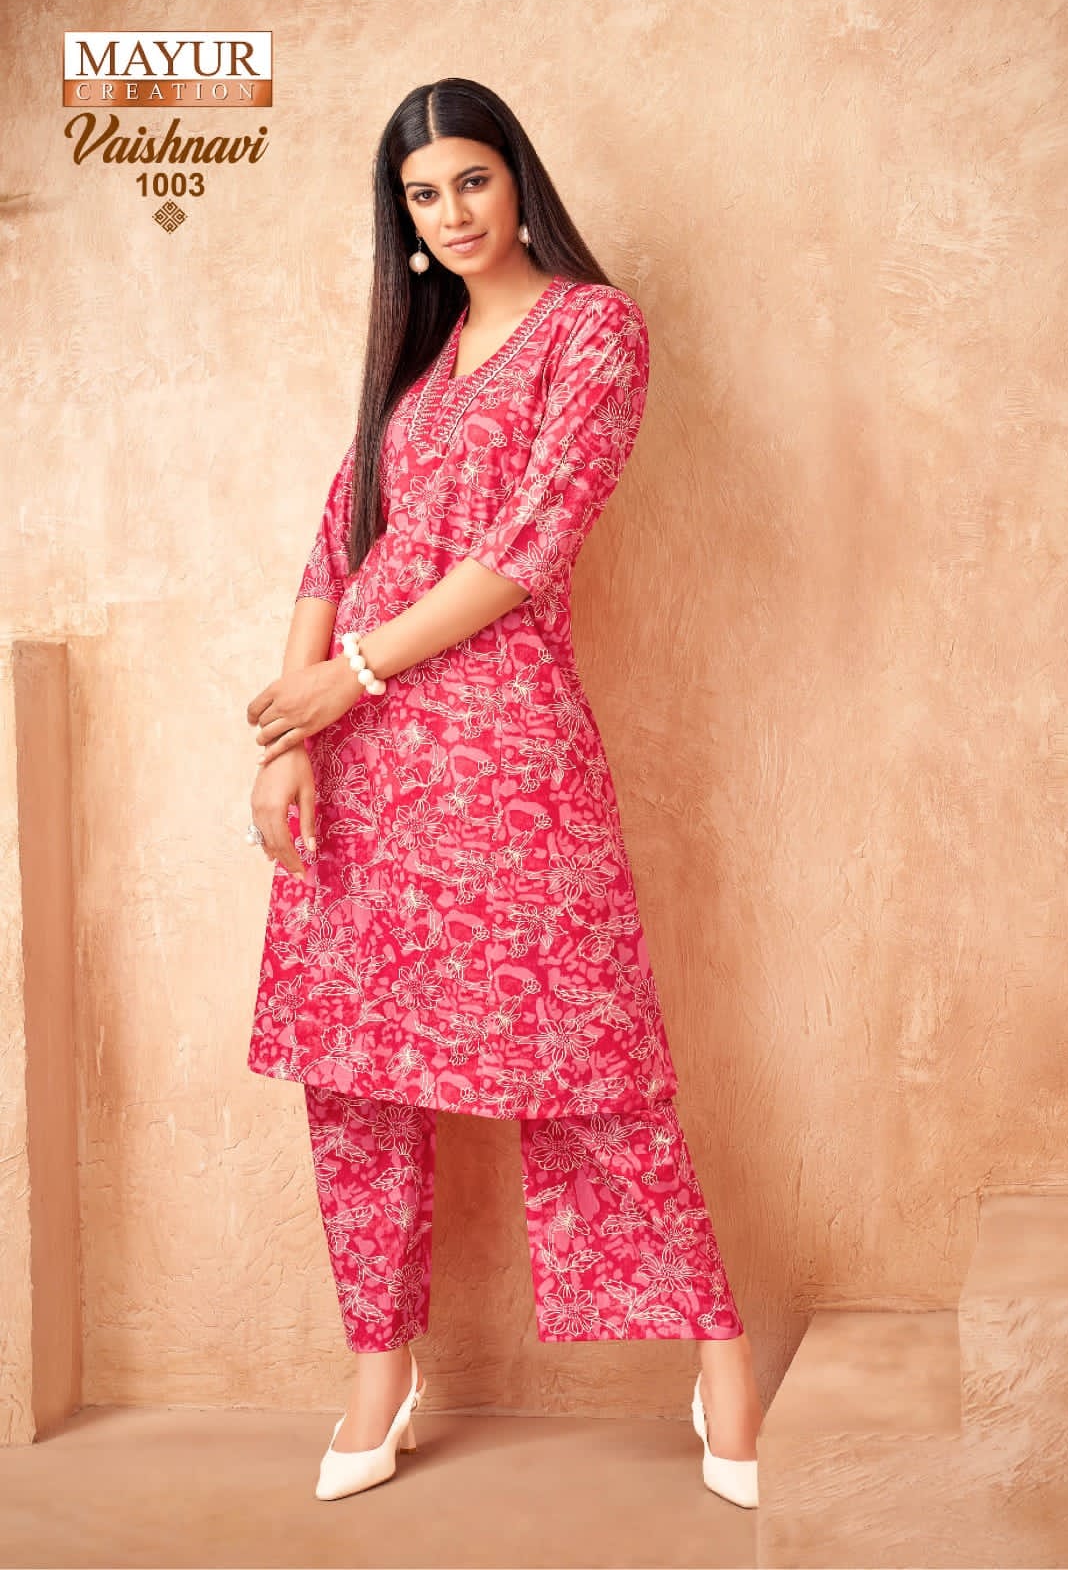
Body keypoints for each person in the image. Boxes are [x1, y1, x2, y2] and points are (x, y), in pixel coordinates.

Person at [243, 76, 764, 1507]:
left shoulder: (593, 333)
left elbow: (531, 546)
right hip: (362, 764)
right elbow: (333, 544)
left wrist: (350, 676)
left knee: (585, 1054)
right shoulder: (412, 371)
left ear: (517, 179)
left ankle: (717, 1360)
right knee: (354, 1072)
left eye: (471, 179)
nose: (452, 212)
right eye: (423, 195)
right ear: (402, 220)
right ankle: (381, 1368)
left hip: (504, 755)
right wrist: (292, 735)